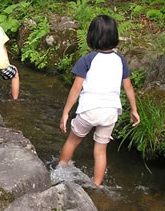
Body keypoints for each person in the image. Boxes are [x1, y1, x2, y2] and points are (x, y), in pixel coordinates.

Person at [58, 14, 140, 186]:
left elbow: (76, 88)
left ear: (92, 36)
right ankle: (96, 185)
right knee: (101, 150)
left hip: (89, 110)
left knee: (73, 141)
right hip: (110, 112)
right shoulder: (120, 60)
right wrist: (134, 109)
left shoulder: (87, 60)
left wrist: (66, 112)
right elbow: (128, 87)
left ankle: (60, 170)